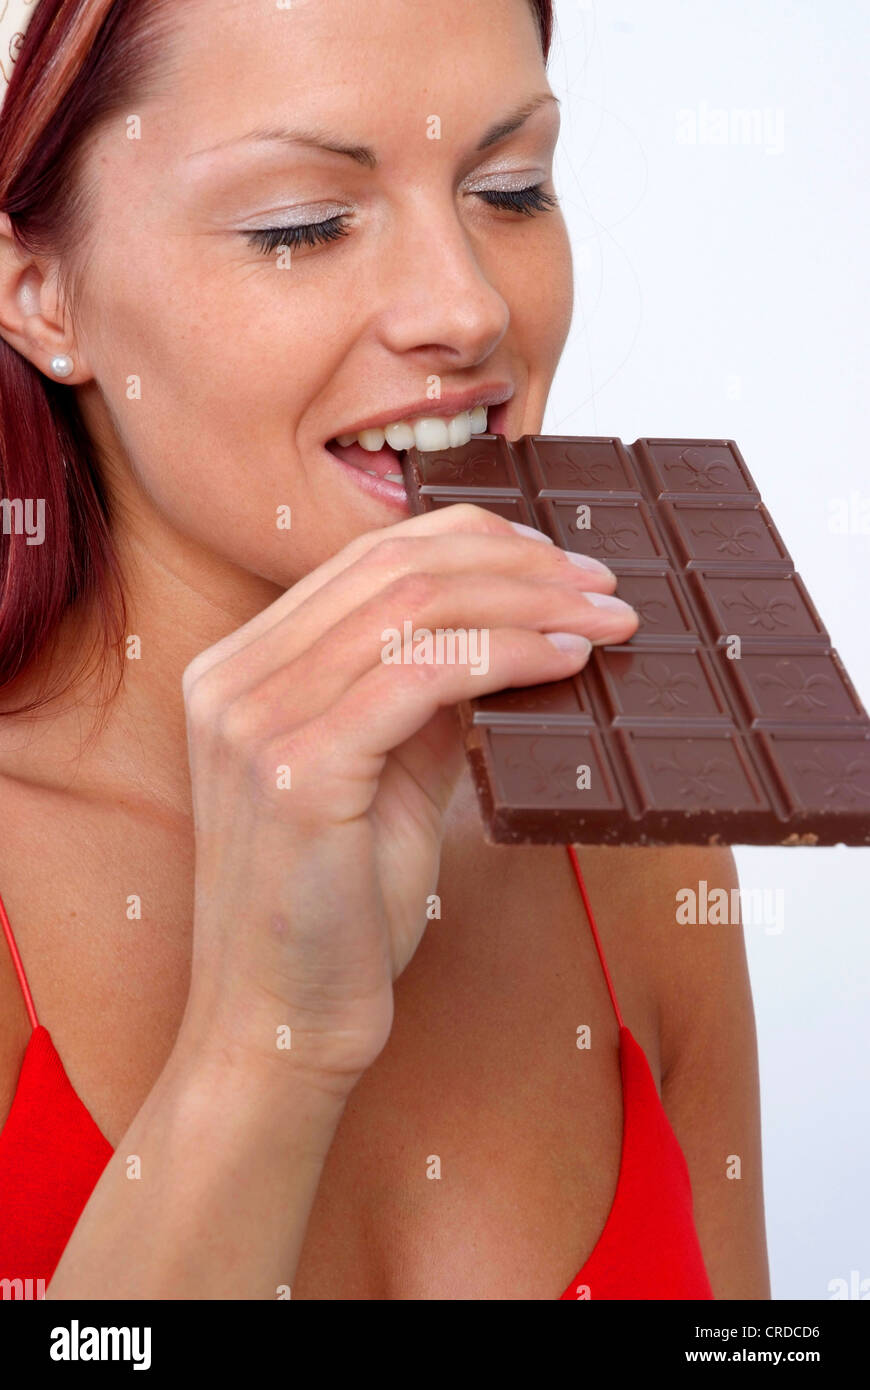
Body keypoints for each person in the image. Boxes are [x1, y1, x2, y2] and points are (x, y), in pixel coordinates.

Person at [0, 0, 769, 1299]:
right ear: (40, 294)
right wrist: (266, 1042)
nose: (465, 309)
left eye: (509, 188)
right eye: (303, 224)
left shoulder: (637, 842)